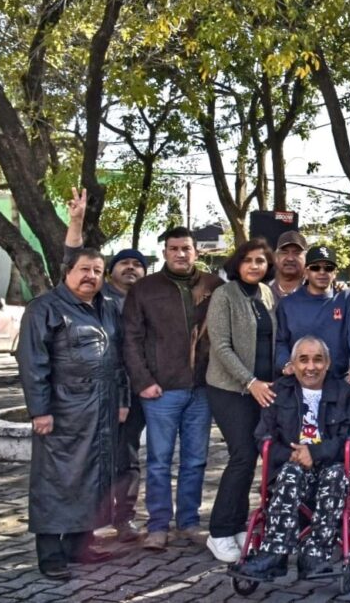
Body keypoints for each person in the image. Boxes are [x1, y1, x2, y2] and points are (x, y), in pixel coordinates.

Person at [17, 249, 128, 579]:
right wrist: (40, 410)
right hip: (63, 408)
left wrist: (122, 400)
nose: (91, 276)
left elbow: (118, 359)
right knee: (55, 480)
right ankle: (51, 554)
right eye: (84, 269)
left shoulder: (108, 308)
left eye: (97, 270)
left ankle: (81, 545)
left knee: (94, 477)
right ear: (67, 272)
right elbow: (33, 363)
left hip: (102, 407)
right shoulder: (44, 309)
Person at [232, 337, 350, 581]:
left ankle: (314, 555)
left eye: (318, 360)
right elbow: (263, 437)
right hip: (293, 466)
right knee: (289, 472)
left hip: (333, 467)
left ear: (328, 363)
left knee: (335, 475)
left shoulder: (346, 394)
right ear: (294, 364)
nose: (311, 367)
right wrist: (293, 455)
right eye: (304, 360)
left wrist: (315, 453)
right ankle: (273, 555)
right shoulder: (278, 392)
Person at [123, 226, 224, 551]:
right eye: (174, 248)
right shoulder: (144, 289)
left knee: (195, 460)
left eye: (186, 248)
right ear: (165, 252)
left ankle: (189, 523)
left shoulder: (214, 286)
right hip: (161, 390)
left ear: (197, 252)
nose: (181, 254)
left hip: (202, 388)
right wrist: (143, 382)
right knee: (159, 461)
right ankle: (158, 525)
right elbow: (131, 340)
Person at [63, 187, 149, 544]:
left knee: (127, 460)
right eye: (123, 263)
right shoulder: (99, 299)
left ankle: (124, 519)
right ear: (108, 273)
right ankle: (86, 524)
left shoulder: (148, 299)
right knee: (91, 459)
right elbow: (71, 260)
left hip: (137, 394)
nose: (131, 267)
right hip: (97, 395)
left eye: (138, 263)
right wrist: (76, 221)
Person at [204, 239, 278, 563]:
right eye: (248, 260)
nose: (254, 266)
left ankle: (236, 525)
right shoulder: (224, 295)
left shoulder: (265, 293)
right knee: (242, 456)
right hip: (230, 389)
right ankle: (218, 532)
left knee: (253, 459)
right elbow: (220, 346)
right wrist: (250, 382)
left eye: (260, 261)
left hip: (262, 389)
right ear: (238, 263)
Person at [275, 245, 350, 387]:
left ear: (335, 273)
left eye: (328, 268)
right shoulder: (288, 304)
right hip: (299, 383)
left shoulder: (347, 298)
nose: (322, 272)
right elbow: (280, 341)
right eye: (315, 268)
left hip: (338, 382)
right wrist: (286, 364)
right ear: (306, 272)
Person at [269, 231, 307, 301]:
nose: (290, 258)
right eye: (284, 253)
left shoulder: (314, 290)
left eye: (297, 253)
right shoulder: (262, 291)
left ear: (306, 258)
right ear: (275, 257)